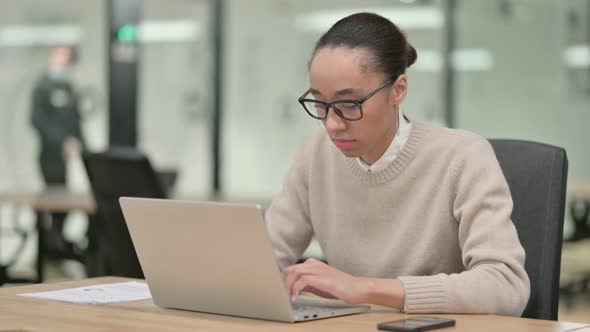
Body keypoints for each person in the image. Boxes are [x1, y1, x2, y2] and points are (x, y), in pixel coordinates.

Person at [265, 13, 530, 316]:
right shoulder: (316, 155)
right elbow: (262, 259)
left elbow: (506, 286)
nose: (332, 124)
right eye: (320, 104)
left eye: (349, 105)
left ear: (398, 90)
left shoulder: (463, 157)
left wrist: (362, 288)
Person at [31, 45, 85, 259]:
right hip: (50, 152)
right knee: (55, 198)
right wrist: (60, 141)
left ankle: (57, 244)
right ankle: (51, 248)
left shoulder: (67, 85)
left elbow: (75, 118)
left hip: (67, 153)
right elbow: (36, 119)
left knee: (65, 202)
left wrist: (85, 148)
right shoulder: (42, 86)